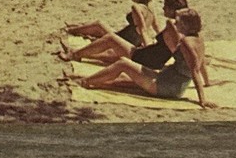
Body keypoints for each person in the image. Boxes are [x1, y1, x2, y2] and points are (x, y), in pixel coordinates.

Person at [72, 8, 215, 109]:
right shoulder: (198, 40)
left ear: (185, 25)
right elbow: (200, 64)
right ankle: (83, 78)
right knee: (123, 79)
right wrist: (207, 82)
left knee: (123, 63)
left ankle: (85, 82)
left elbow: (195, 70)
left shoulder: (186, 43)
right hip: (172, 82)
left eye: (178, 22)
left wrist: (202, 100)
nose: (175, 24)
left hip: (166, 86)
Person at [63, 0, 189, 70]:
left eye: (165, 6)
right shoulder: (183, 27)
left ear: (172, 9)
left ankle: (74, 55)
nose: (163, 8)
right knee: (112, 54)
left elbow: (144, 31)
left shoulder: (171, 25)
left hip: (147, 58)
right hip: (155, 61)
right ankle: (78, 53)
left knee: (110, 39)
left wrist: (148, 46)